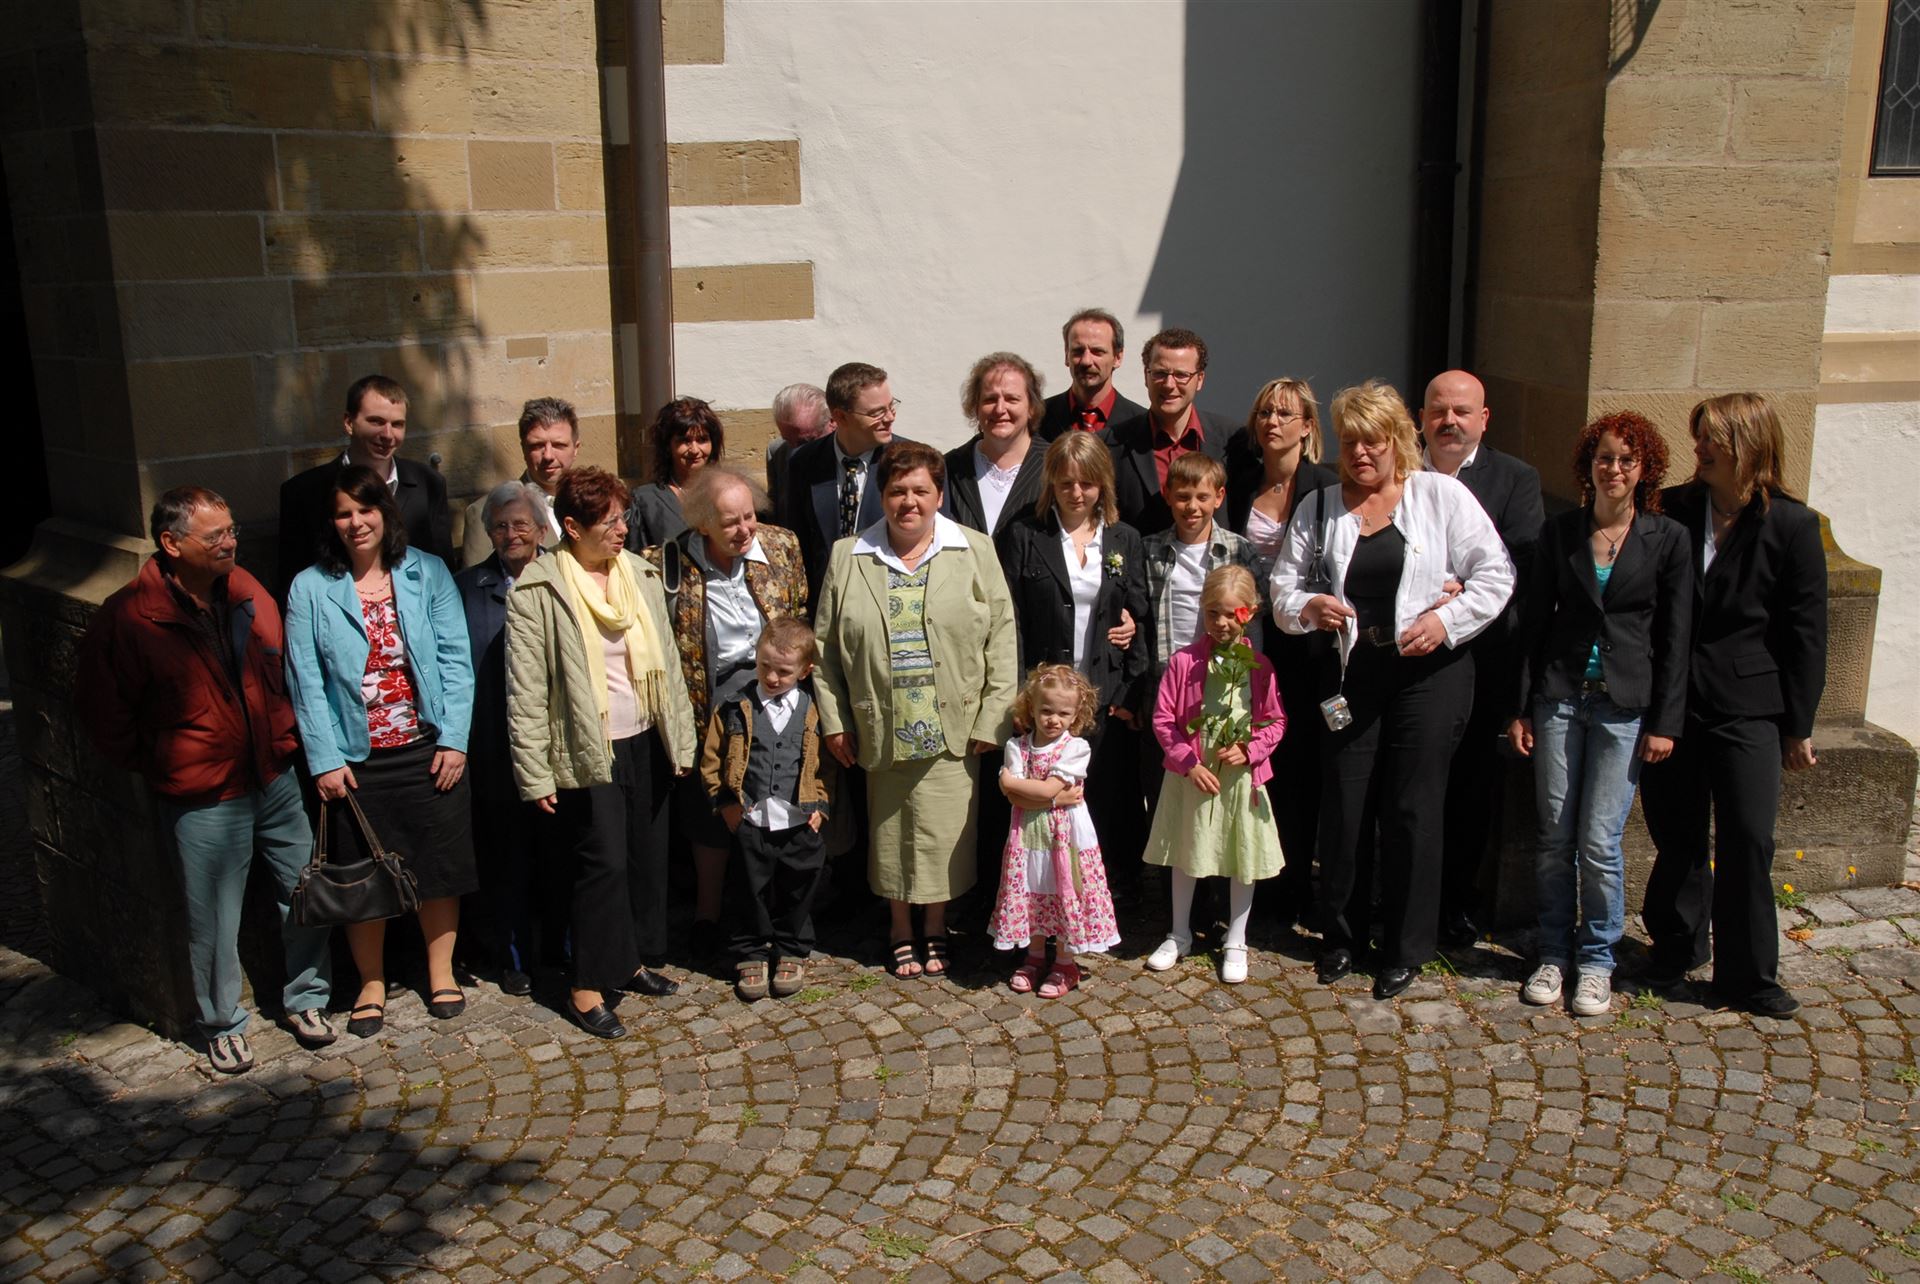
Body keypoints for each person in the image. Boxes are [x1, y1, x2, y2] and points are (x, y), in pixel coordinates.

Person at [75, 487, 334, 1074]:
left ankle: (308, 998)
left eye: (232, 530)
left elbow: (282, 668)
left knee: (305, 892)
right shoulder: (129, 617)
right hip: (203, 795)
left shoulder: (247, 591)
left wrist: (283, 736)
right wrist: (168, 760)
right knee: (213, 919)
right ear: (171, 544)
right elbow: (104, 715)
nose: (230, 542)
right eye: (215, 535)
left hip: (273, 775)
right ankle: (221, 1024)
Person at [1271, 380, 1513, 1000]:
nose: (1361, 453)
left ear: (1398, 441)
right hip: (1351, 674)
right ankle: (1342, 938)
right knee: (1346, 806)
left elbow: (1496, 574)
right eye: (1351, 441)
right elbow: (1281, 591)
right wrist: (1308, 608)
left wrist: (1446, 622)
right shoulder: (1320, 507)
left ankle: (1406, 946)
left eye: (1373, 442)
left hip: (1428, 673)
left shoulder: (1440, 496)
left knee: (1411, 808)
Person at [1639, 393, 1826, 1019]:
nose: (1698, 449)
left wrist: (1798, 725)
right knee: (1677, 833)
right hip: (1673, 701)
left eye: (1710, 439)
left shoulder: (1792, 525)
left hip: (1749, 706)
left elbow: (1806, 634)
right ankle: (1675, 948)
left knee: (1748, 838)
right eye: (1697, 438)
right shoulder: (1673, 508)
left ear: (1747, 444)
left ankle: (1748, 977)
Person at [812, 440, 1018, 979]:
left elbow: (1002, 634)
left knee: (944, 834)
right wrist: (835, 721)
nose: (909, 501)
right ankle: (900, 929)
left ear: (939, 495)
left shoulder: (973, 549)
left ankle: (937, 926)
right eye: (898, 490)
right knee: (892, 836)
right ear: (882, 496)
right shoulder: (848, 555)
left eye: (921, 490)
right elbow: (825, 650)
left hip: (953, 725)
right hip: (881, 722)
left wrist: (994, 715)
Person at [1508, 412, 1690, 1016]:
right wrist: (1521, 708)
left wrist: (1665, 722)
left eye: (1626, 460)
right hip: (1560, 698)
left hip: (1624, 706)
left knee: (1600, 842)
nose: (1614, 469)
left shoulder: (1667, 538)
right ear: (1589, 464)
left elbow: (1676, 636)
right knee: (1555, 836)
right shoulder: (1561, 532)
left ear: (1645, 470)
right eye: (1604, 457)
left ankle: (1596, 960)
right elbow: (1534, 623)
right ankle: (1553, 953)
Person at [284, 465, 477, 1037]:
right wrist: (323, 758)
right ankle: (371, 982)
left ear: (384, 513)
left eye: (365, 510)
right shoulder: (310, 587)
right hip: (354, 757)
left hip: (426, 747)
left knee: (438, 866)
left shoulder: (427, 572)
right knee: (360, 874)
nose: (355, 522)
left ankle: (441, 972)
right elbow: (305, 679)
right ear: (332, 522)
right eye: (343, 513)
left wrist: (455, 739)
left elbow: (456, 659)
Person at [507, 466, 698, 1038]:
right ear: (571, 527)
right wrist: (535, 773)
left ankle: (629, 962)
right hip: (587, 746)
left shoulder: (637, 572)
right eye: (610, 521)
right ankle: (586, 985)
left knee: (644, 858)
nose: (622, 529)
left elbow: (667, 660)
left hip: (646, 737)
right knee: (603, 865)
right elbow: (526, 689)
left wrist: (680, 737)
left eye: (624, 518)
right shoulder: (538, 588)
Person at [644, 466, 808, 955]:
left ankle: (779, 914)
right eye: (730, 522)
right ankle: (707, 913)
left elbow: (799, 612)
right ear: (702, 524)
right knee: (711, 805)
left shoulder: (781, 546)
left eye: (749, 516)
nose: (744, 529)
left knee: (777, 792)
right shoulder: (666, 563)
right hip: (709, 698)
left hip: (775, 688)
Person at [1420, 370, 1544, 947]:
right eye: (1439, 410)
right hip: (1410, 656)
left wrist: (1456, 591)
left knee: (1469, 789)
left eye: (1462, 411)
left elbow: (1518, 565)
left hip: (1483, 659)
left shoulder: (1515, 479)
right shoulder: (1401, 470)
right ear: (1422, 417)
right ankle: (1404, 898)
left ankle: (1455, 903)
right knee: (1409, 787)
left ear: (1484, 419)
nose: (1450, 421)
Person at [997, 432, 1150, 879]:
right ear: (1051, 483)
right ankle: (1046, 889)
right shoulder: (1026, 535)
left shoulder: (1123, 538)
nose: (1076, 493)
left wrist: (1130, 689)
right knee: (1046, 802)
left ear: (1103, 483)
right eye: (1066, 483)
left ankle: (1100, 890)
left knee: (1101, 798)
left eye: (1087, 483)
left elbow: (1139, 613)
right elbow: (1011, 621)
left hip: (1104, 694)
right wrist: (1020, 697)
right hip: (1045, 699)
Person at [1224, 377, 1340, 927]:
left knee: (1300, 766)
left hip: (1308, 647)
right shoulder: (1239, 485)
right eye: (1265, 413)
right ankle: (1255, 883)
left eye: (1285, 414)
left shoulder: (1327, 486)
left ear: (1307, 426)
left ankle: (1298, 885)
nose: (1273, 422)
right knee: (1251, 763)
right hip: (1248, 643)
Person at [1141, 566, 1286, 985]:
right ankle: (1179, 932)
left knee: (1242, 855)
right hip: (1194, 773)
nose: (1221, 623)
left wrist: (1250, 749)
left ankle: (1236, 938)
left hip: (1239, 776)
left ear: (1250, 613)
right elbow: (1163, 719)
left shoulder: (1259, 666)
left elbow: (1275, 721)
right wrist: (1189, 763)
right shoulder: (1184, 662)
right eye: (1212, 613)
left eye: (1231, 614)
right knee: (1186, 850)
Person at [700, 619, 838, 1002]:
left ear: (805, 671)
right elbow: (711, 760)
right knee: (748, 888)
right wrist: (726, 803)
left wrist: (820, 805)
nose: (773, 678)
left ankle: (791, 948)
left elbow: (826, 766)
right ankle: (750, 950)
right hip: (751, 819)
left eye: (784, 671)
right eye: (765, 667)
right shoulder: (733, 707)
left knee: (798, 887)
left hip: (799, 820)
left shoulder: (813, 712)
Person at [455, 480, 557, 996]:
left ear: (541, 529)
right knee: (506, 858)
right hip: (494, 743)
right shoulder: (465, 588)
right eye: (500, 526)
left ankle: (562, 949)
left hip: (556, 743)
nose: (511, 534)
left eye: (521, 524)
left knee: (557, 853)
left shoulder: (565, 576)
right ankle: (513, 956)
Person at [987, 664, 1119, 997]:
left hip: (1066, 838)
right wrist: (1048, 797)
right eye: (1046, 711)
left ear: (1076, 715)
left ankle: (1064, 962)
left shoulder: (1075, 748)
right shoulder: (1018, 747)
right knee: (1032, 889)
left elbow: (1041, 789)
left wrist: (1012, 784)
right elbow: (1024, 796)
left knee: (1063, 891)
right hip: (1029, 838)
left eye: (1063, 713)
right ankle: (1033, 957)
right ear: (1031, 708)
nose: (1053, 720)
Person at [277, 374, 453, 596]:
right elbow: (291, 583)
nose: (387, 434)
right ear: (349, 423)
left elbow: (443, 573)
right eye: (376, 422)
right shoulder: (303, 492)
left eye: (397, 424)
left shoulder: (429, 484)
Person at [782, 362, 905, 606]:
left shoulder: (910, 462)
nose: (890, 417)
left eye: (891, 406)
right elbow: (796, 542)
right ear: (840, 416)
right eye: (877, 412)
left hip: (889, 604)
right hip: (826, 606)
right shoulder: (803, 463)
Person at [1102, 327, 1235, 536]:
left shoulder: (1232, 441)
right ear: (1146, 376)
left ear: (1200, 379)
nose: (1169, 384)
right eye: (1160, 373)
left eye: (1182, 375)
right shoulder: (1110, 444)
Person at [458, 397, 578, 567]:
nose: (548, 456)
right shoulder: (487, 512)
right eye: (537, 445)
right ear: (523, 449)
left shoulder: (599, 504)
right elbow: (481, 581)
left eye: (558, 445)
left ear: (576, 448)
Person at [943, 352, 1050, 538]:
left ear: (1032, 407)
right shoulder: (950, 468)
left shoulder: (1055, 465)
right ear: (975, 407)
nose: (1000, 409)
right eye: (990, 399)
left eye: (1011, 399)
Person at [626, 397, 724, 551]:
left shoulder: (729, 492)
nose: (694, 450)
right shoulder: (646, 502)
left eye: (702, 440)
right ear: (667, 445)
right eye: (685, 441)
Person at [1038, 308, 1146, 440]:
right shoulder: (1037, 418)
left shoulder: (1142, 425)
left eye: (1097, 351)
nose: (1086, 361)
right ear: (1067, 356)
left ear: (1118, 357)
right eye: (1078, 351)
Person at [766, 383, 830, 519]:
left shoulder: (853, 456)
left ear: (832, 422)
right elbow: (776, 511)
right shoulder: (777, 451)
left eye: (805, 442)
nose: (795, 451)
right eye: (787, 440)